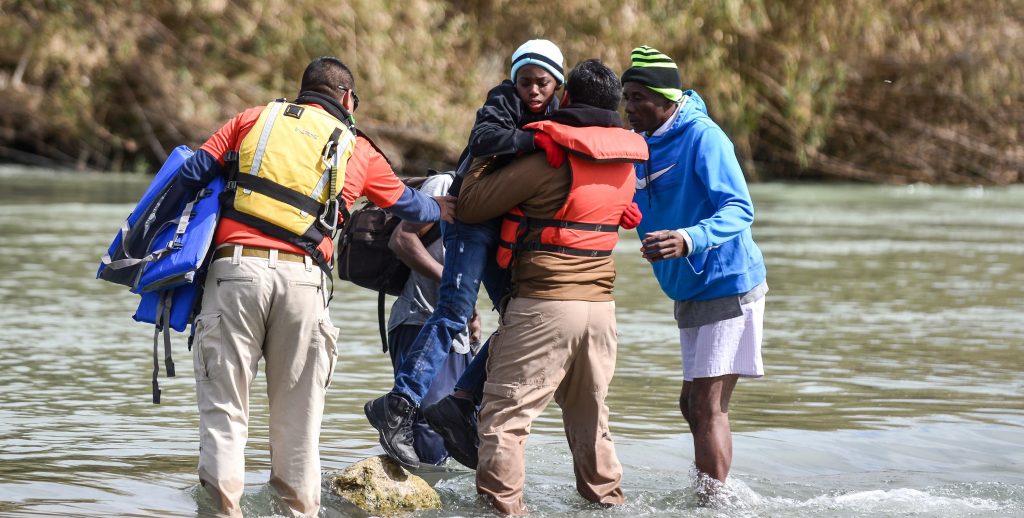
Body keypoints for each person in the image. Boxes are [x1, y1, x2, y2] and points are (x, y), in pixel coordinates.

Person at [174, 56, 455, 517]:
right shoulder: (355, 147)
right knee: (299, 427)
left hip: (234, 275)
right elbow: (414, 209)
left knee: (224, 419)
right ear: (347, 99)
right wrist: (443, 207)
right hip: (304, 283)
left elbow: (190, 174)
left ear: (303, 92)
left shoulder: (252, 120)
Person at [363, 39, 567, 470]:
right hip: (471, 222)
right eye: (525, 81)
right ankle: (398, 405)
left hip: (506, 228)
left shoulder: (557, 116)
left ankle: (460, 403)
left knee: (519, 315)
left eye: (542, 83)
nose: (532, 91)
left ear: (557, 84)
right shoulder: (502, 101)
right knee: (454, 312)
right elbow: (485, 137)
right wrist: (534, 139)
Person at [456, 59, 648, 515]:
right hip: (600, 310)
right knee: (592, 422)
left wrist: (486, 147)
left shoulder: (551, 157)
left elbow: (470, 204)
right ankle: (608, 504)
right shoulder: (625, 162)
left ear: (566, 98)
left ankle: (504, 510)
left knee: (504, 421)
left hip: (544, 306)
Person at [620, 46, 768, 494]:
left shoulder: (704, 137)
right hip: (688, 287)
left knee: (706, 407)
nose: (629, 107)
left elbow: (740, 208)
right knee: (691, 404)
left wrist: (688, 238)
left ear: (667, 99)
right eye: (626, 96)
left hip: (727, 281)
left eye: (639, 97)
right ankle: (713, 489)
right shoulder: (639, 142)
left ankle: (713, 502)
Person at [384, 172, 482, 465]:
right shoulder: (444, 184)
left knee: (459, 431)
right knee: (426, 431)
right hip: (419, 318)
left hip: (457, 330)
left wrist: (472, 309)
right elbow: (401, 239)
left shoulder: (488, 195)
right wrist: (452, 282)